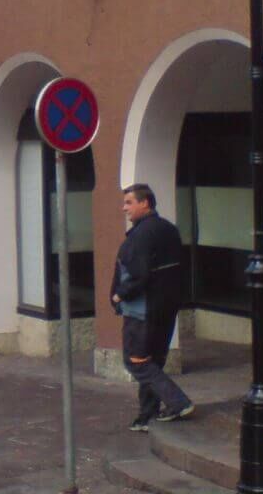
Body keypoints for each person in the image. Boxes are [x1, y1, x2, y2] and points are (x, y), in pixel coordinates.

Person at [111, 183, 195, 432]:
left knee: (135, 360)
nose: (124, 208)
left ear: (144, 203)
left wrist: (119, 295)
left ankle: (177, 401)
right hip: (166, 307)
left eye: (129, 202)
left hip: (142, 310)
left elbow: (138, 274)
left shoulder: (141, 235)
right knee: (153, 361)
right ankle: (147, 416)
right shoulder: (169, 229)